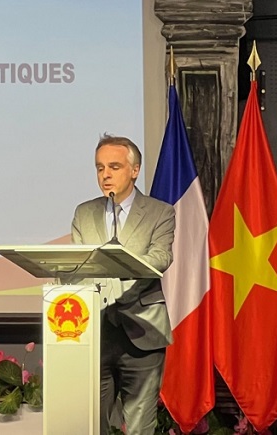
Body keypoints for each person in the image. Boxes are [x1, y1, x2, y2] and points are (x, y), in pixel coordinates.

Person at [70, 134, 175, 435]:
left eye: (114, 167)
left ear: (135, 170)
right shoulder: (84, 213)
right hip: (96, 330)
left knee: (140, 426)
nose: (105, 175)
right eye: (99, 167)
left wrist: (115, 270)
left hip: (142, 330)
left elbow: (160, 257)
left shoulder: (160, 212)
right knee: (92, 423)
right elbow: (77, 267)